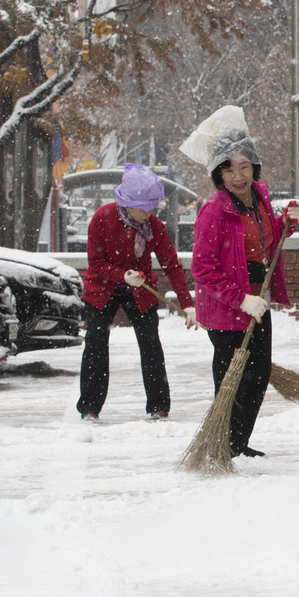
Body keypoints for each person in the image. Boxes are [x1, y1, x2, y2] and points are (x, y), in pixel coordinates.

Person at [179, 105, 299, 458]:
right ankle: (223, 442)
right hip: (228, 307)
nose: (238, 175)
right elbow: (203, 269)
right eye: (229, 168)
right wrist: (239, 299)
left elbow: (268, 240)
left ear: (254, 167)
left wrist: (287, 222)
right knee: (233, 379)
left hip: (257, 298)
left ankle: (237, 441)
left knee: (258, 374)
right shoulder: (215, 210)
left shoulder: (259, 198)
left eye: (244, 166)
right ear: (218, 173)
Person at [77, 163, 197, 420]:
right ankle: (89, 408)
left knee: (151, 346)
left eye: (152, 207)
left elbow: (172, 265)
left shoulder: (153, 226)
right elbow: (95, 263)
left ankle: (159, 406)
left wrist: (187, 304)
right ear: (127, 203)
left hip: (142, 292)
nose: (149, 213)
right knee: (95, 347)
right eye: (145, 208)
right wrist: (122, 275)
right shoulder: (102, 217)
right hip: (102, 290)